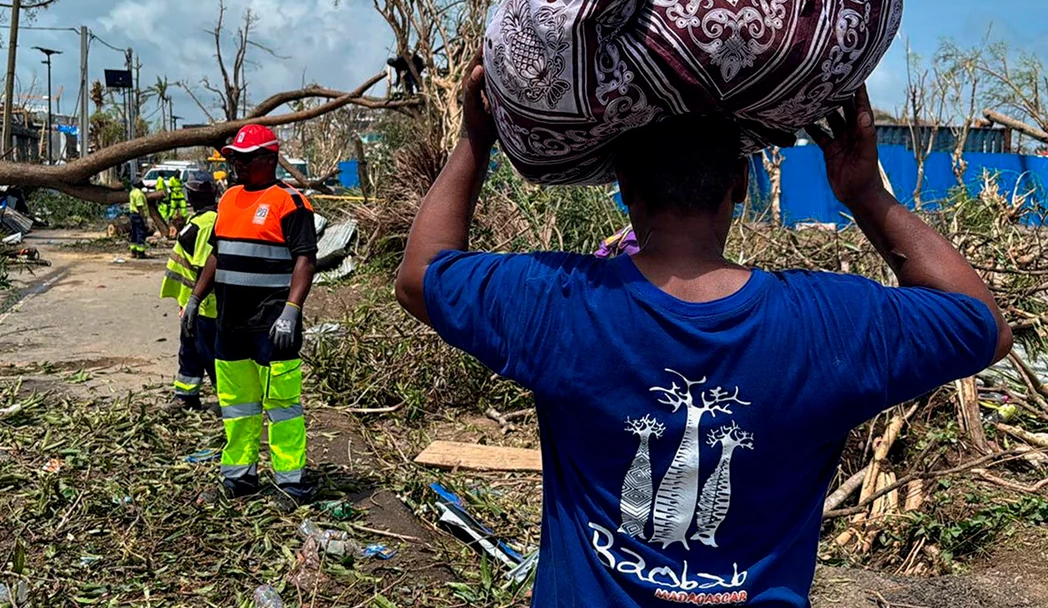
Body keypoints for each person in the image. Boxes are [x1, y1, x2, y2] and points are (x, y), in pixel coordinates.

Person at [395, 53, 1013, 607]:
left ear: (624, 188)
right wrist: (866, 194)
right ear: (741, 185)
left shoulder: (562, 303)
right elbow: (980, 323)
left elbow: (421, 277)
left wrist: (475, 139)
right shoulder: (830, 323)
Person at [187, 124, 318, 503]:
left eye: (246, 159)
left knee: (282, 406)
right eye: (234, 159)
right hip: (231, 325)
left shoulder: (289, 202)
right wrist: (196, 298)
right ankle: (240, 477)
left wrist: (292, 311)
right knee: (238, 407)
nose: (238, 166)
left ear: (270, 159)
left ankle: (292, 482)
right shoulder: (228, 200)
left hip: (271, 324)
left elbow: (305, 260)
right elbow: (216, 255)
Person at [161, 172, 220, 410]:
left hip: (205, 307)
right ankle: (186, 396)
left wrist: (194, 302)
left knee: (210, 355)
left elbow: (204, 267)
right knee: (190, 351)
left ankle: (230, 401)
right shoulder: (201, 221)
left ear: (190, 195)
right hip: (193, 304)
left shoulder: (206, 224)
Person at [127, 182, 149, 259]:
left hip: (132, 214)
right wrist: (144, 219)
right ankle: (141, 252)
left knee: (134, 232)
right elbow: (140, 207)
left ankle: (133, 251)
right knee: (141, 233)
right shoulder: (139, 194)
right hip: (138, 215)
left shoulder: (132, 192)